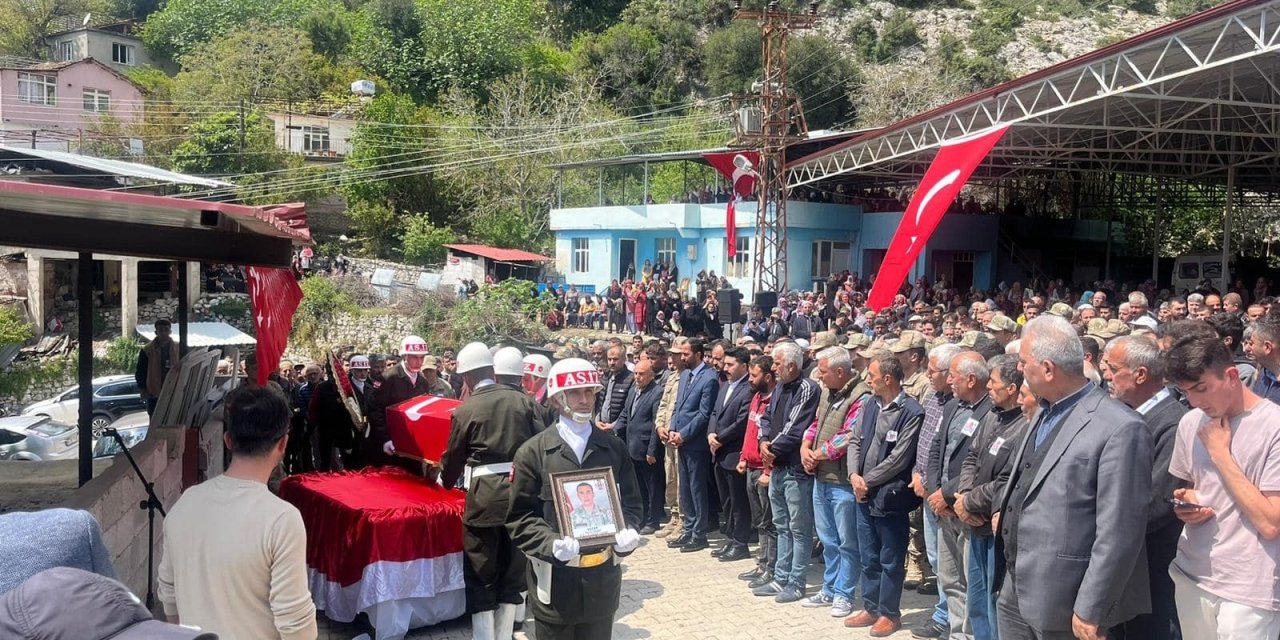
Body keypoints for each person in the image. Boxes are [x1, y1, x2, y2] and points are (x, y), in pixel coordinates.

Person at [995, 315, 1153, 640]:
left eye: (1024, 362)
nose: (1019, 369)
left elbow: (1120, 530)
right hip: (1016, 585)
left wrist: (1092, 606)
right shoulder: (1044, 411)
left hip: (1066, 599)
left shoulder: (1120, 427)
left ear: (1048, 369)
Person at [157, 386, 318, 640]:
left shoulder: (185, 502)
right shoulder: (282, 519)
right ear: (283, 444)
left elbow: (168, 593)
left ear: (228, 440)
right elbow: (295, 622)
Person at [506, 358, 643, 640]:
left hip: (602, 583)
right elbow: (520, 517)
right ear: (558, 399)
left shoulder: (613, 448)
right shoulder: (533, 452)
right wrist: (550, 543)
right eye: (575, 393)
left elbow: (631, 504)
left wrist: (628, 533)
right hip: (556, 584)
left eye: (589, 391)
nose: (584, 400)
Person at [1164, 334, 1280, 638]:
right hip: (1192, 573)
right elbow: (1197, 487)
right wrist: (1187, 503)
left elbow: (1271, 523)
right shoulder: (1190, 422)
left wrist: (1220, 454)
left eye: (1201, 388)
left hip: (1250, 589)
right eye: (1185, 392)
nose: (1194, 401)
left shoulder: (1274, 426)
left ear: (1231, 376)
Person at [440, 342, 546, 640]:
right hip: (521, 499)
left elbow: (453, 459)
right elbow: (543, 447)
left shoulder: (466, 409)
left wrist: (444, 480)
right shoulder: (526, 404)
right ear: (492, 371)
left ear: (467, 377)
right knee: (513, 569)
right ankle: (505, 633)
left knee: (480, 570)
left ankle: (484, 637)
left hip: (484, 502)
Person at [1102, 335, 1187, 640]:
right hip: (1124, 561)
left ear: (1140, 374)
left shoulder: (1173, 424)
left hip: (1152, 569)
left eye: (1113, 369)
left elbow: (1159, 502)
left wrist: (1103, 527)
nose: (1105, 375)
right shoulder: (1123, 415)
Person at [845, 351, 924, 637]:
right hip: (863, 494)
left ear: (888, 378)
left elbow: (899, 459)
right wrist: (854, 476)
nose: (868, 380)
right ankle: (870, 606)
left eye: (872, 376)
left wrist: (866, 481)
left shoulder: (912, 412)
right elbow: (854, 441)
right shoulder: (869, 403)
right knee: (869, 555)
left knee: (890, 557)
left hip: (889, 497)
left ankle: (890, 613)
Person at [955, 354, 1030, 640]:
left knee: (995, 602)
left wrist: (968, 502)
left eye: (993, 381)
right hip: (975, 522)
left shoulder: (1025, 425)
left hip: (996, 527)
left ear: (1011, 388)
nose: (988, 386)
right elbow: (971, 457)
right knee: (976, 601)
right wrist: (963, 495)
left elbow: (1006, 481)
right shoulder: (991, 415)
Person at [926, 351, 994, 640]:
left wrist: (948, 494)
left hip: (966, 508)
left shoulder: (991, 411)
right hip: (942, 508)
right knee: (950, 577)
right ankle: (956, 633)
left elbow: (979, 464)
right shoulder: (952, 405)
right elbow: (936, 448)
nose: (949, 381)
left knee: (972, 582)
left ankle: (971, 634)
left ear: (971, 379)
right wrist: (934, 490)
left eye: (953, 376)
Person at [799, 346, 870, 618]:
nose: (819, 375)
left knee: (847, 542)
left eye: (824, 371)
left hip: (842, 482)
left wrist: (816, 455)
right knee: (828, 540)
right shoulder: (828, 392)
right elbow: (816, 423)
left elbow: (849, 435)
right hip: (821, 477)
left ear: (840, 372)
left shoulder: (861, 396)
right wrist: (805, 447)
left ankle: (844, 593)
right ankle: (829, 588)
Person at [753, 341, 821, 603]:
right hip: (778, 467)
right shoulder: (780, 386)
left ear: (792, 366)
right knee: (781, 526)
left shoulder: (808, 388)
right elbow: (766, 417)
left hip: (795, 470)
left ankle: (796, 582)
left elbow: (795, 428)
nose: (773, 368)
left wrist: (771, 449)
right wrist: (763, 442)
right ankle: (780, 577)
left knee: (799, 529)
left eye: (778, 363)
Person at [910, 344, 961, 639]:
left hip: (946, 497)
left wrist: (936, 486)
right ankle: (944, 613)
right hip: (926, 490)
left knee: (949, 563)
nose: (927, 375)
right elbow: (924, 442)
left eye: (932, 371)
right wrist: (917, 474)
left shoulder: (961, 405)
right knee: (936, 558)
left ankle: (949, 618)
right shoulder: (932, 398)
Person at [666, 337, 719, 553]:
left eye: (686, 354)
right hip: (679, 440)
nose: (682, 357)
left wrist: (684, 434)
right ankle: (688, 529)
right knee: (685, 488)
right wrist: (672, 428)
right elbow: (678, 407)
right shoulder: (685, 375)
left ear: (698, 354)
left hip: (695, 443)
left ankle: (699, 533)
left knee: (697, 488)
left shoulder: (709, 378)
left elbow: (704, 414)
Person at [708, 346, 754, 562]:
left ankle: (740, 542)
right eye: (725, 364)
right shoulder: (725, 385)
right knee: (726, 500)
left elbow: (741, 422)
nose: (725, 368)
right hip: (718, 452)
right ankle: (730, 538)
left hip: (734, 452)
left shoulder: (748, 389)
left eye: (730, 365)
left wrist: (720, 438)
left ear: (744, 366)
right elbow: (714, 413)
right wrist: (710, 434)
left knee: (738, 502)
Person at [739, 355, 779, 588]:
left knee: (769, 522)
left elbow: (772, 440)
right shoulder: (756, 397)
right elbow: (750, 431)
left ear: (768, 376)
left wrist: (768, 470)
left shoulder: (775, 401)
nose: (750, 379)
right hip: (751, 467)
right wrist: (743, 457)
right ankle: (762, 563)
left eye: (754, 376)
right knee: (759, 521)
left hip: (765, 472)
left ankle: (771, 567)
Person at [363, 336, 432, 469]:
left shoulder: (423, 382)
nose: (419, 362)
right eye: (415, 357)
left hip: (413, 447)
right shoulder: (388, 378)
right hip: (391, 447)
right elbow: (375, 409)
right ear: (404, 356)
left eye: (422, 358)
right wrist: (385, 439)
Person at [613, 358, 665, 533]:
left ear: (651, 375)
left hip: (647, 449)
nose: (637, 377)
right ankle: (642, 519)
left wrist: (652, 451)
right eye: (635, 373)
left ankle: (653, 520)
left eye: (641, 374)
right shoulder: (633, 391)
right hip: (632, 447)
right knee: (639, 487)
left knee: (653, 488)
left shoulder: (657, 392)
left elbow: (656, 423)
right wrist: (613, 429)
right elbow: (625, 414)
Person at [136, 318, 179, 416]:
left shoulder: (178, 348)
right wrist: (143, 389)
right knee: (155, 417)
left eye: (166, 330)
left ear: (170, 332)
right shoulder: (147, 350)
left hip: (173, 390)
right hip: (154, 391)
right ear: (156, 332)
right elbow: (141, 371)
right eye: (160, 330)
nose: (163, 333)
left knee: (173, 416)